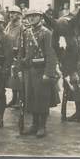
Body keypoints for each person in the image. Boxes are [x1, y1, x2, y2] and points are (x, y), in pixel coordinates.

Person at [21, 9, 60, 138]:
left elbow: (51, 54)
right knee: (31, 98)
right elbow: (24, 52)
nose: (31, 18)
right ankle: (34, 124)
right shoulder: (26, 32)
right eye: (29, 16)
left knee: (42, 99)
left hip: (41, 71)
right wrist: (21, 68)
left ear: (40, 17)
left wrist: (48, 73)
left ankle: (42, 126)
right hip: (29, 70)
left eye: (34, 16)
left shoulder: (47, 33)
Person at [5, 5, 24, 108]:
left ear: (19, 15)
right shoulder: (9, 25)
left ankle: (21, 99)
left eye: (15, 13)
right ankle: (14, 98)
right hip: (10, 53)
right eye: (11, 13)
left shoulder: (21, 26)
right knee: (12, 78)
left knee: (18, 77)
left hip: (18, 54)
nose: (12, 15)